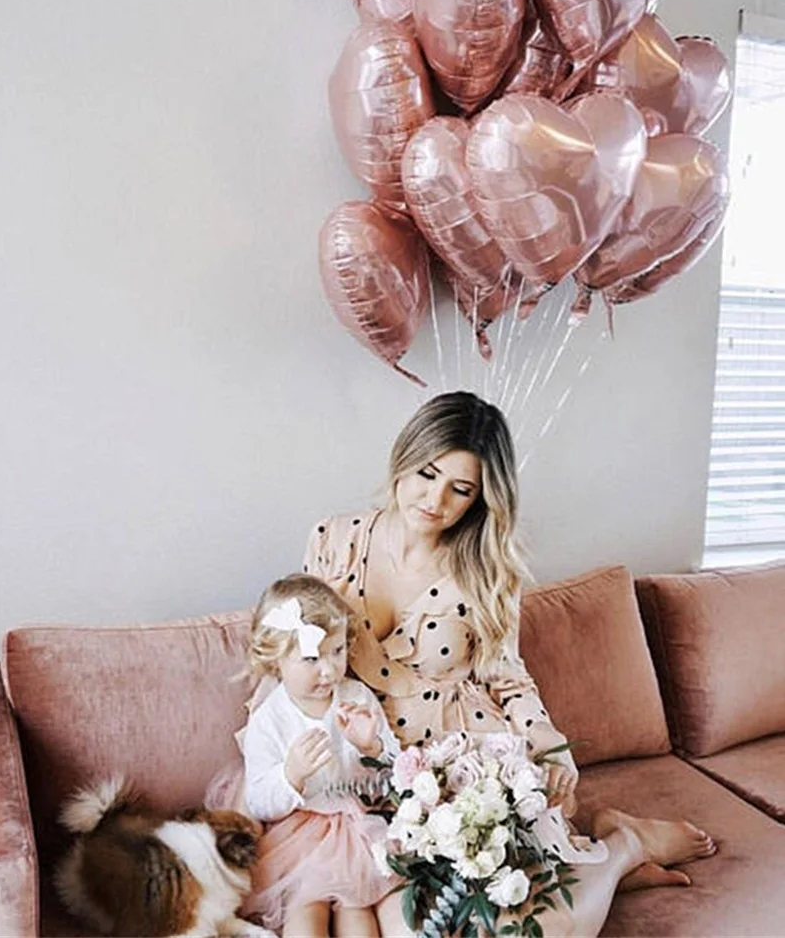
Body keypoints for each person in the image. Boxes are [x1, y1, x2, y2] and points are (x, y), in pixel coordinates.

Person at [302, 391, 717, 938]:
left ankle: (622, 846)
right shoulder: (334, 541)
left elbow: (506, 675)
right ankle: (607, 860)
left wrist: (548, 740)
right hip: (371, 773)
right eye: (427, 474)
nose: (435, 500)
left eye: (461, 489)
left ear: (480, 498)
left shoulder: (486, 568)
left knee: (533, 929)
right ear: (404, 456)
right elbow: (293, 655)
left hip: (464, 763)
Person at [240, 574, 402, 938]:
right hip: (299, 838)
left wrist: (372, 749)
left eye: (338, 651)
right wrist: (291, 774)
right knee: (304, 913)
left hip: (358, 827)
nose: (329, 670)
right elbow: (258, 800)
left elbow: (394, 780)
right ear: (276, 661)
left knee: (357, 913)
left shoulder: (356, 698)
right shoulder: (269, 719)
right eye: (312, 658)